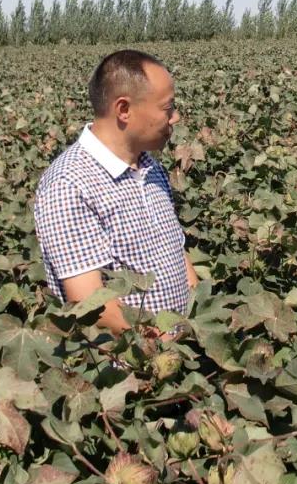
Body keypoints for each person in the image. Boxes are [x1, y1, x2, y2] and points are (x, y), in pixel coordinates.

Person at [33, 49, 198, 336]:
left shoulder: (151, 169)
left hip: (180, 354)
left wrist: (198, 323)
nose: (176, 117)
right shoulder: (69, 184)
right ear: (124, 109)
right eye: (167, 107)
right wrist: (164, 342)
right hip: (129, 369)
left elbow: (177, 255)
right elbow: (92, 305)